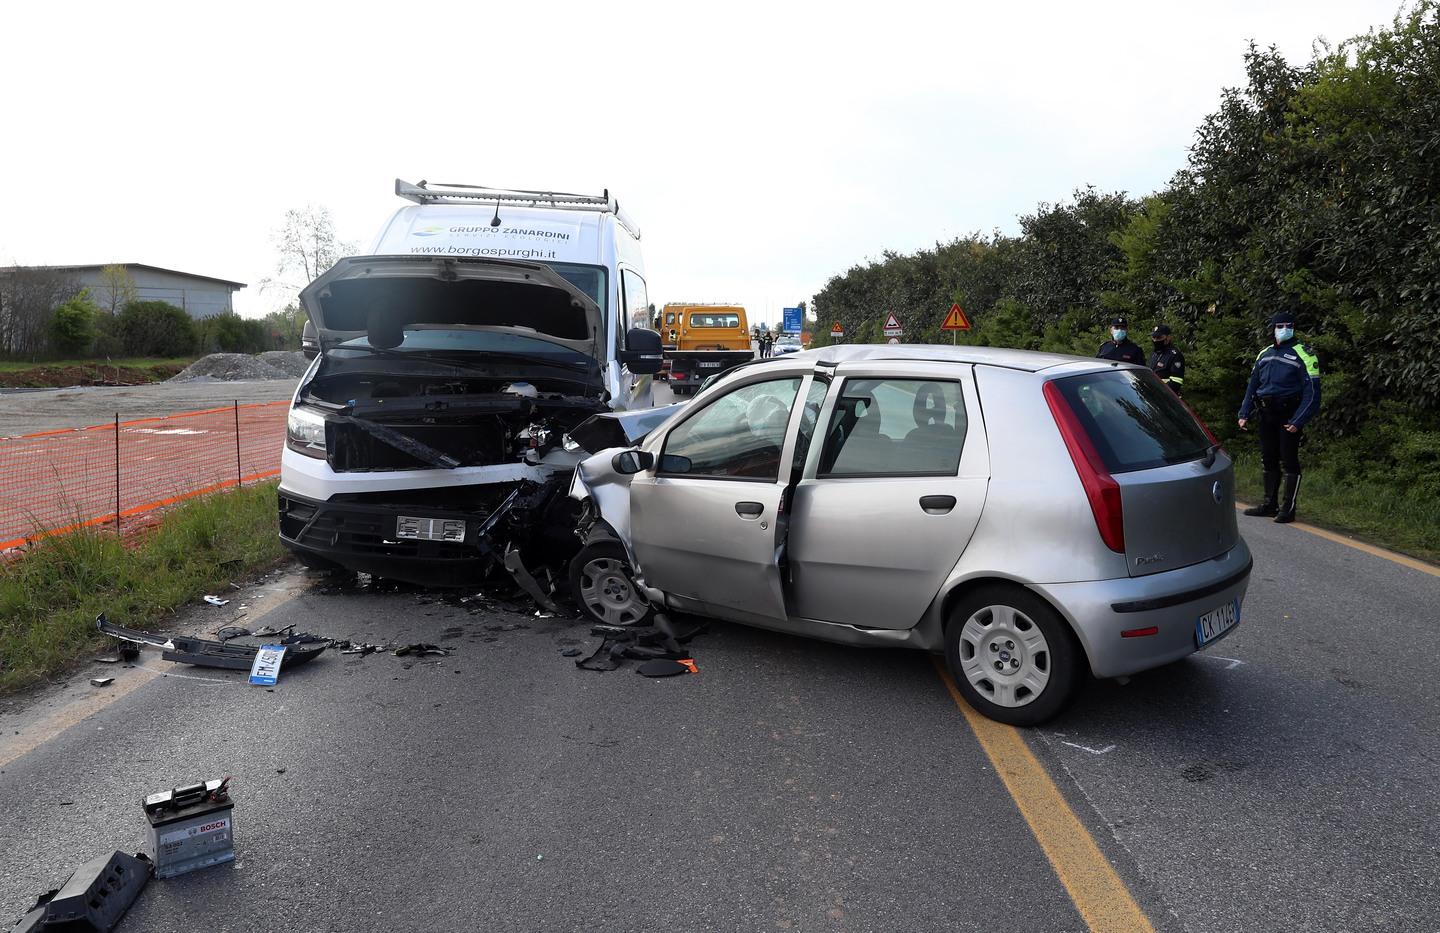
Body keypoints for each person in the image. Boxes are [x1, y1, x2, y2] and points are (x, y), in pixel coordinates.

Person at [1237, 311, 1321, 523]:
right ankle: (1269, 504)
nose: (1284, 329)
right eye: (1280, 325)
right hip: (1266, 413)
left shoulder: (1304, 353)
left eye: (1288, 325)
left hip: (1288, 414)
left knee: (1289, 460)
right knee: (1268, 458)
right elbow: (1253, 386)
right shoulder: (1264, 353)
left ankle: (1288, 508)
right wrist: (1244, 412)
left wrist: (1298, 420)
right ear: (1273, 328)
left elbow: (1312, 392)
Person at [1148, 324, 1185, 395]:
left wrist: (1157, 391)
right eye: (1154, 337)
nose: (1155, 340)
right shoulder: (1155, 353)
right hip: (1152, 396)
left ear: (1168, 337)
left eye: (1159, 337)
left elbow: (1176, 382)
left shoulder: (1175, 355)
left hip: (1166, 397)